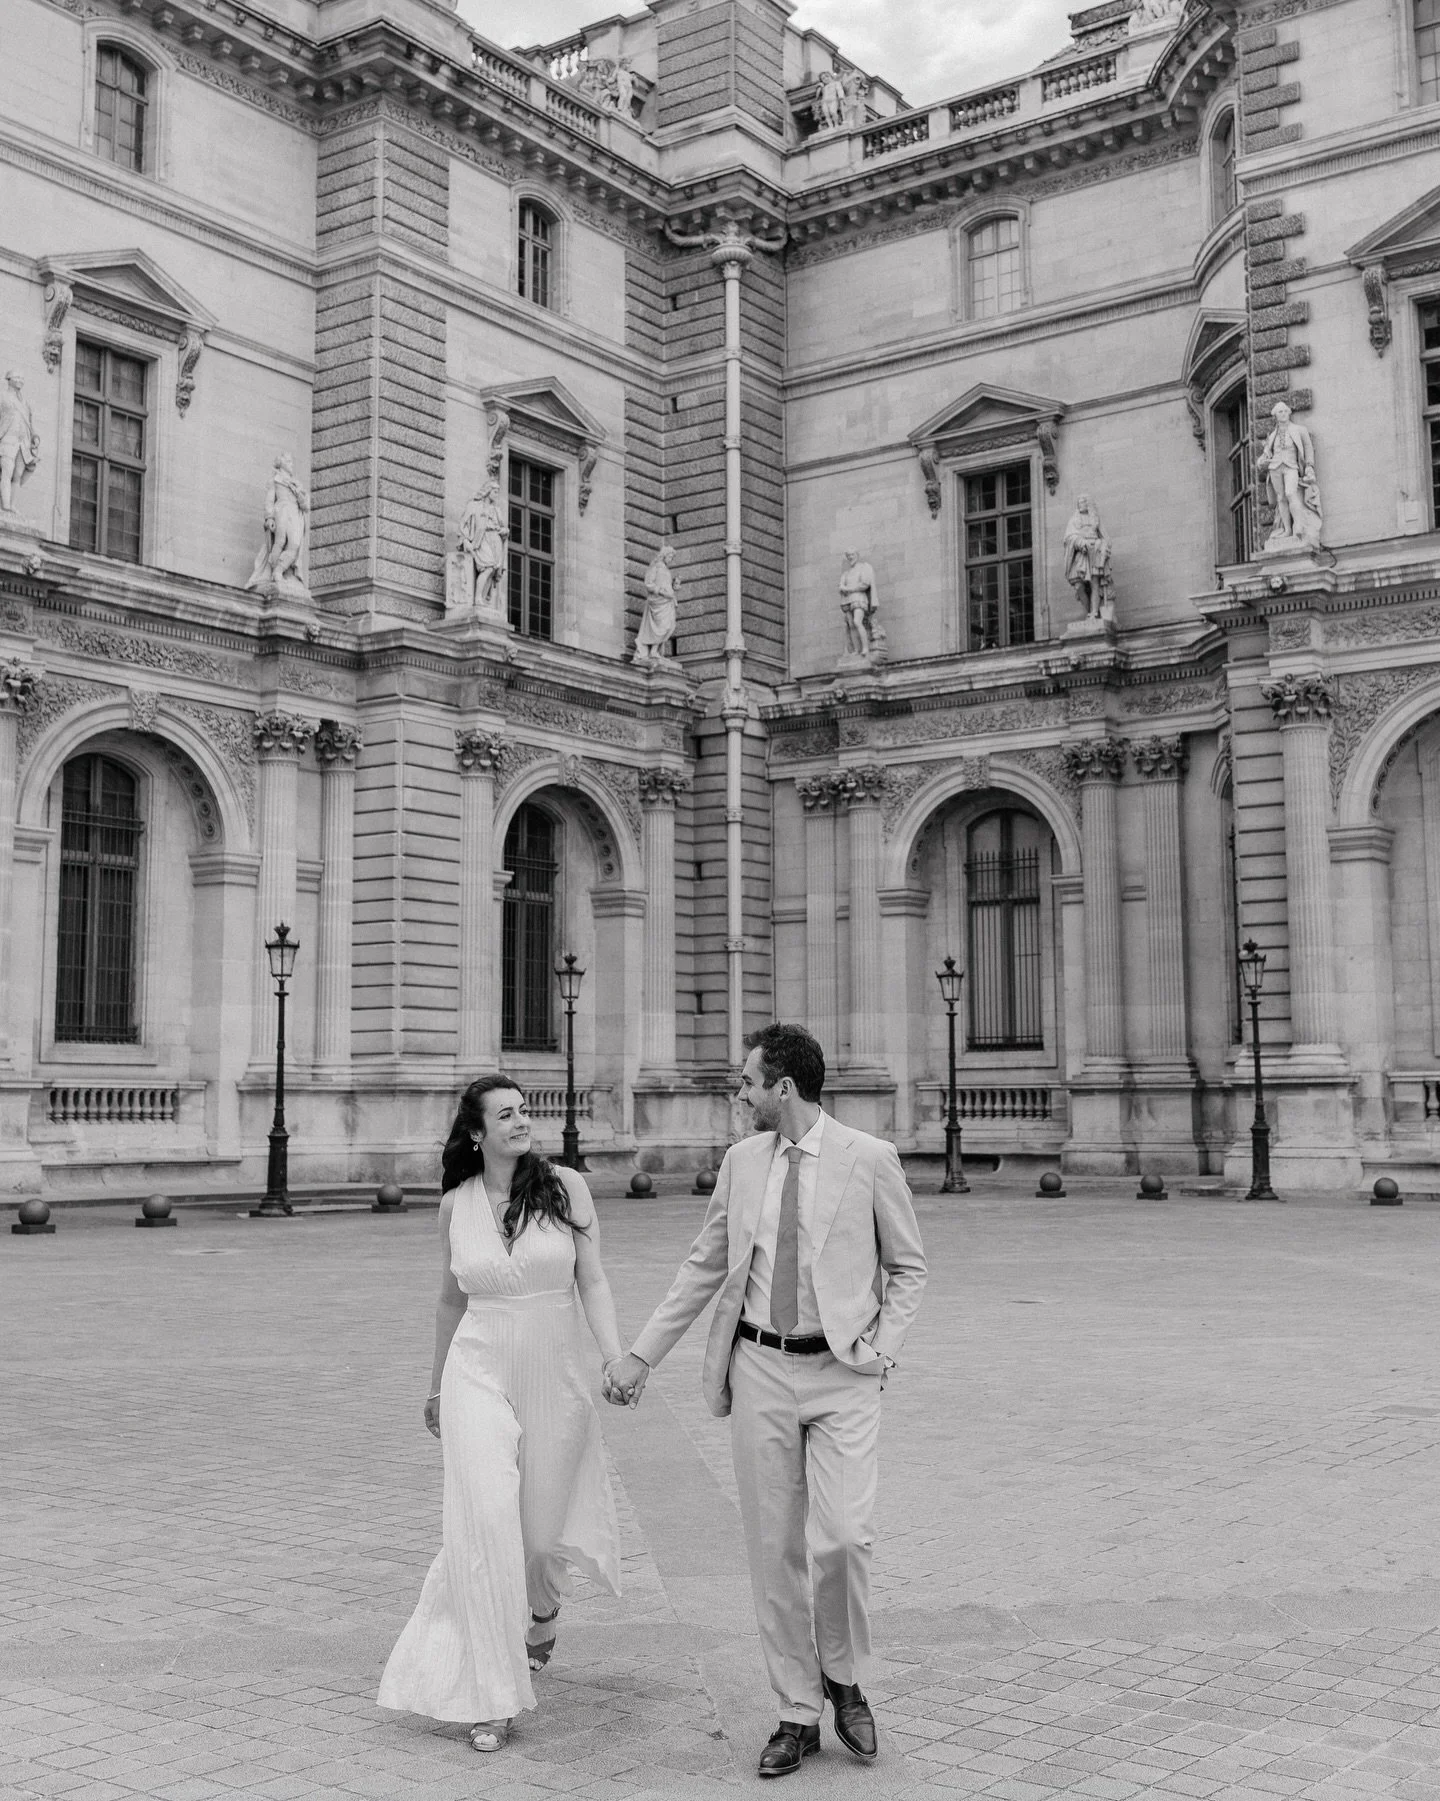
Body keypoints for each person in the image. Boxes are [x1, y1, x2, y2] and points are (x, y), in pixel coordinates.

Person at [608, 1024, 927, 1780]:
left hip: (843, 1371)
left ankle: (842, 1675)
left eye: (746, 1081)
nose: (738, 1093)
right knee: (774, 1548)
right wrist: (640, 1352)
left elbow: (908, 1266)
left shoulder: (870, 1159)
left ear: (782, 1087)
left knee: (844, 1536)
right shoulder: (742, 1162)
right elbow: (703, 1265)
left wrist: (884, 1348)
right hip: (758, 1366)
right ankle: (795, 1709)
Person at [378, 1075, 627, 1753]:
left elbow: (593, 1280)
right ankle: (490, 1694)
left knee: (540, 1537)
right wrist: (434, 1387)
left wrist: (614, 1357)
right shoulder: (454, 1204)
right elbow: (449, 1302)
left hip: (557, 1371)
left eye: (525, 1110)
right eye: (507, 1113)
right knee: (485, 1523)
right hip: (477, 1369)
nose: (522, 1120)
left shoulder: (567, 1188)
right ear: (477, 1132)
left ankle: (542, 1611)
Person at [1256, 401, 1322, 548]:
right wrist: (1262, 462)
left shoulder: (1299, 430)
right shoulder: (1272, 436)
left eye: (1285, 411)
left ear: (1289, 413)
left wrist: (1309, 466)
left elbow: (1308, 448)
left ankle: (1298, 525)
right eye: (1280, 412)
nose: (1283, 414)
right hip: (1275, 468)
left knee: (1291, 493)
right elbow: (1267, 454)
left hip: (1291, 466)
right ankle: (1287, 529)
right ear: (1275, 416)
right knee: (1281, 498)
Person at [0, 371, 39, 514]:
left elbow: (30, 423)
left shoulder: (25, 403)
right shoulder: (3, 397)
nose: (20, 381)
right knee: (7, 471)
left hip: (23, 444)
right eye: (17, 377)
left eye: (22, 378)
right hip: (7, 440)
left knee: (17, 474)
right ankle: (5, 505)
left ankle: (12, 504)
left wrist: (35, 437)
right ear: (9, 379)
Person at [634, 544, 680, 662]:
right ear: (664, 555)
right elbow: (649, 584)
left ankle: (655, 650)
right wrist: (662, 593)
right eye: (670, 556)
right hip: (658, 601)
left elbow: (666, 586)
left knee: (669, 626)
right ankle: (653, 651)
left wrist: (674, 586)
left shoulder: (666, 570)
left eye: (672, 557)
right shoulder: (655, 567)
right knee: (662, 626)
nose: (670, 559)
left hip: (667, 602)